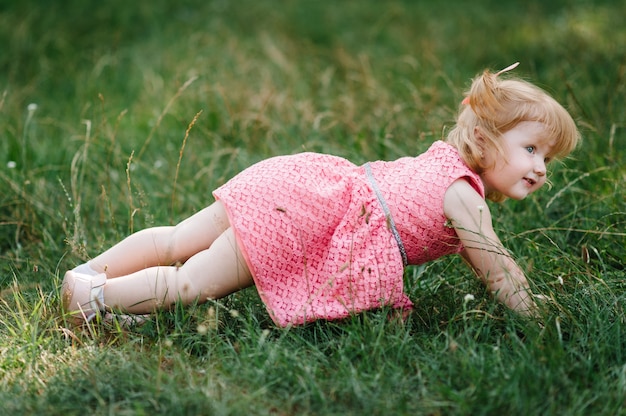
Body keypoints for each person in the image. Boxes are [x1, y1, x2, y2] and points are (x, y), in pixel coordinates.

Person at [61, 63, 581, 328]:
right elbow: (498, 269)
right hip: (304, 216)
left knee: (177, 239)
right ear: (486, 139)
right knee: (194, 281)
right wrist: (538, 321)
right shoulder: (463, 197)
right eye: (531, 148)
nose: (539, 166)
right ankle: (92, 299)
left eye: (547, 158)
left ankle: (90, 272)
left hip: (301, 182)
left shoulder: (446, 169)